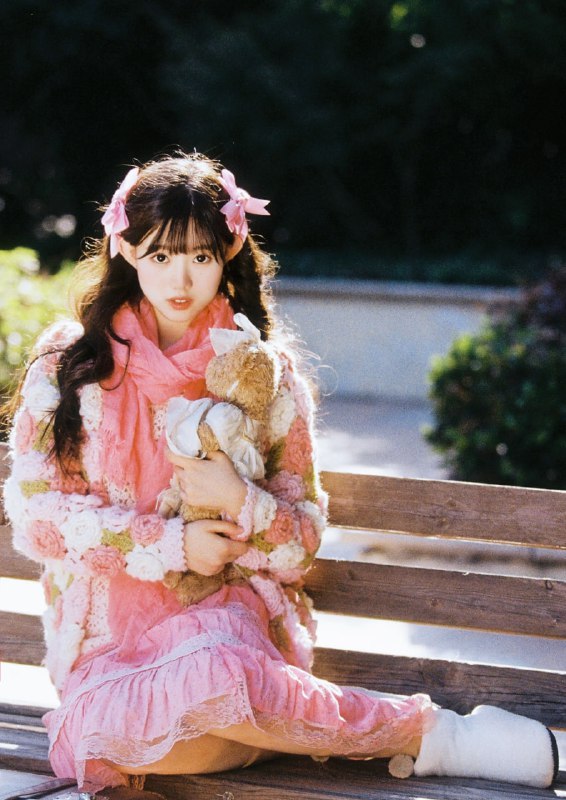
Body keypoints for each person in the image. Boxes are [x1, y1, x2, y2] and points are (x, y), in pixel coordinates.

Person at [4, 152, 558, 791]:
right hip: (109, 642)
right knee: (113, 736)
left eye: (200, 256)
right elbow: (38, 517)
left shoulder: (265, 377)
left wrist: (239, 499)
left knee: (214, 680)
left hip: (229, 627)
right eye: (160, 255)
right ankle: (398, 732)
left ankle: (376, 729)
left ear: (229, 250)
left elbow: (301, 543)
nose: (180, 278)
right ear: (126, 250)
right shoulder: (70, 366)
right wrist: (171, 543)